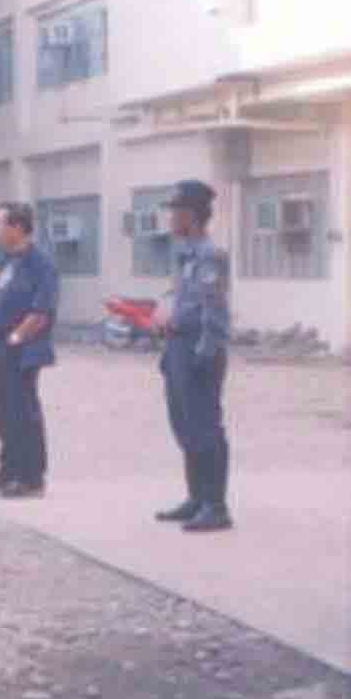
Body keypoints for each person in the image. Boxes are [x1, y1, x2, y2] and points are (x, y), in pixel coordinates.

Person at [155, 180, 234, 533]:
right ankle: (196, 497)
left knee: (204, 426)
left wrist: (205, 353)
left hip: (199, 348)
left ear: (192, 215)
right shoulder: (183, 253)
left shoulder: (209, 256)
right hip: (177, 346)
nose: (170, 218)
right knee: (183, 423)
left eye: (175, 211)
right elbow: (180, 300)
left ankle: (216, 505)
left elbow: (214, 311)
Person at [0, 203, 59, 499]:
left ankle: (31, 477)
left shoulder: (39, 263)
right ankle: (8, 468)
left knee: (23, 412)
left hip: (20, 350)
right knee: (0, 411)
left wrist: (16, 337)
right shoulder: (7, 260)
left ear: (18, 227)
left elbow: (41, 310)